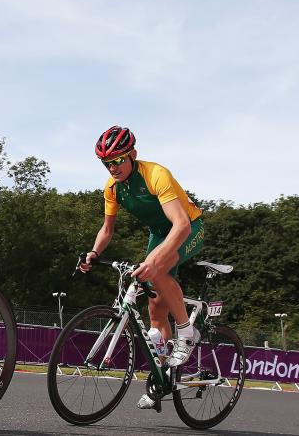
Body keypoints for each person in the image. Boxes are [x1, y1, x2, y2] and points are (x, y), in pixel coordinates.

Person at [79, 125, 204, 409]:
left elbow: (181, 224)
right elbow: (107, 228)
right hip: (159, 234)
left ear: (132, 155)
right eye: (106, 163)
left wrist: (156, 260)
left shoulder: (155, 174)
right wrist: (94, 252)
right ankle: (162, 379)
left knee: (156, 270)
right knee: (154, 309)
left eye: (117, 160)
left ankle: (186, 333)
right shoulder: (112, 188)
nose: (112, 168)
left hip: (188, 227)